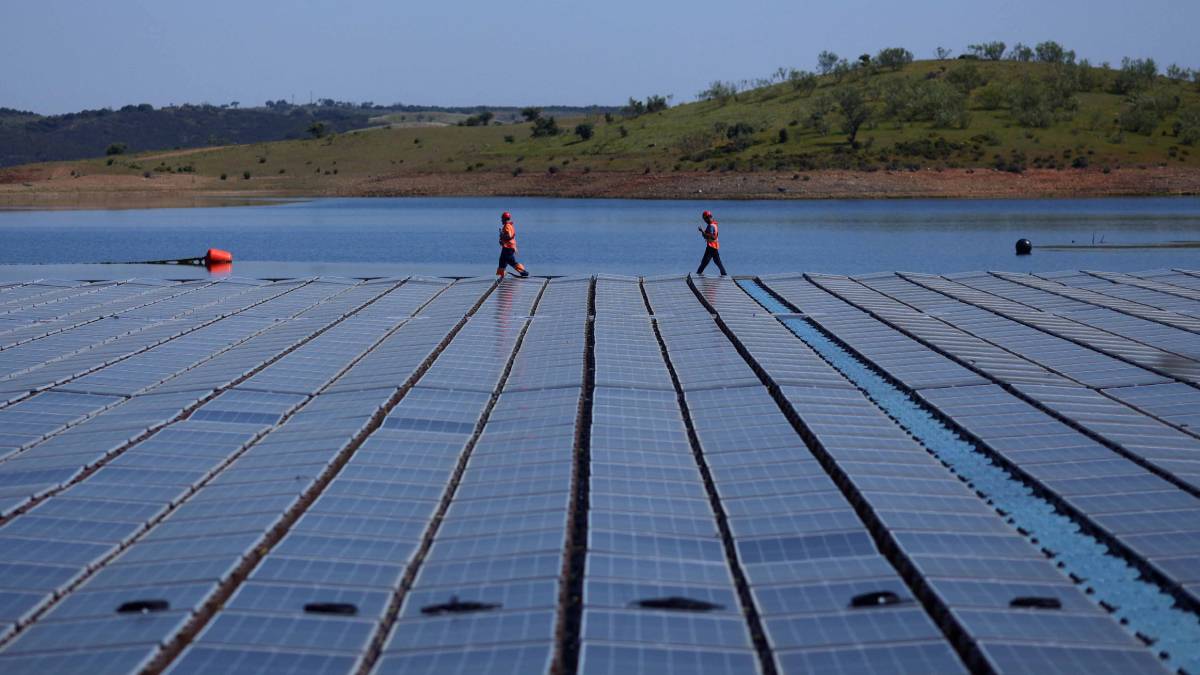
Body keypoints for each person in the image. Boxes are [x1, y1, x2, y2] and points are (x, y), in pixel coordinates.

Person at [496, 211, 530, 278]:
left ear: (505, 219)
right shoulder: (510, 225)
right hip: (507, 247)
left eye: (502, 219)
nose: (501, 220)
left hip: (508, 247)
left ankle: (523, 272)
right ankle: (500, 275)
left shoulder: (507, 226)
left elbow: (509, 236)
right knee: (502, 261)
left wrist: (502, 235)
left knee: (511, 261)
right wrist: (502, 240)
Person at [696, 210, 727, 276]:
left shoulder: (711, 226)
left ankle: (697, 275)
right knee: (717, 262)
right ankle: (724, 274)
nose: (705, 221)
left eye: (705, 219)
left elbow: (713, 237)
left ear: (707, 218)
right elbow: (708, 235)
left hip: (711, 247)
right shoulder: (714, 224)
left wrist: (702, 231)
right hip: (713, 246)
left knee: (704, 262)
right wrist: (704, 233)